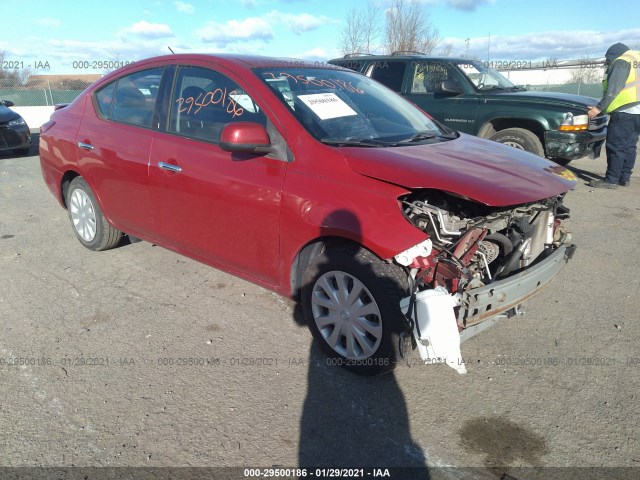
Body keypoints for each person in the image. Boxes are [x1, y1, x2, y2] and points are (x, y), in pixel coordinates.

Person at [587, 42, 640, 189]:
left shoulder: (622, 61)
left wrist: (599, 108)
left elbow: (614, 88)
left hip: (625, 112)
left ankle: (611, 180)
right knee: (629, 146)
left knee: (615, 146)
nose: (608, 63)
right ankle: (624, 177)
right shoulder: (636, 59)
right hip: (637, 112)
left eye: (608, 60)